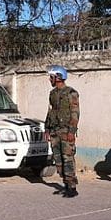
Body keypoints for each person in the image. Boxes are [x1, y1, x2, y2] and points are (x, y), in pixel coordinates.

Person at [44, 65, 80, 197]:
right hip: (55, 131)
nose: (50, 79)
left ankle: (72, 187)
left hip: (66, 131)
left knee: (68, 158)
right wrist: (47, 128)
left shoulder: (71, 93)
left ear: (58, 77)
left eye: (51, 77)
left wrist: (72, 131)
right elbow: (50, 111)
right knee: (58, 160)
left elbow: (75, 113)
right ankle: (65, 184)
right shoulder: (52, 94)